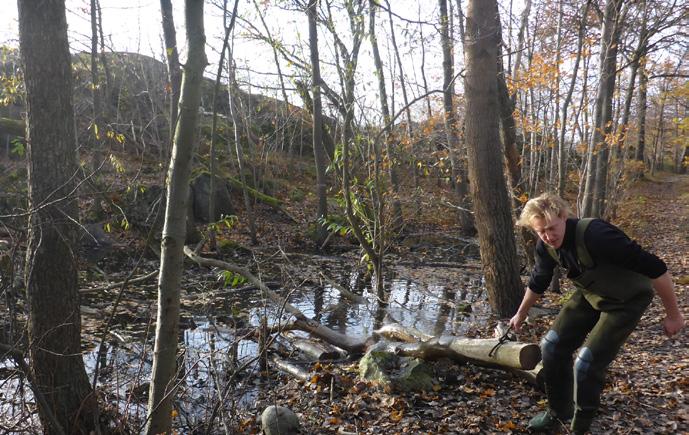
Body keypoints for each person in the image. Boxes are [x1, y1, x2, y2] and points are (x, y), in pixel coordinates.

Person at [509, 193, 685, 434]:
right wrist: (520, 314)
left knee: (586, 363)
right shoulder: (545, 246)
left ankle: (579, 427)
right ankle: (558, 411)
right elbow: (538, 281)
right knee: (550, 346)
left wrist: (674, 315)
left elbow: (658, 269)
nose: (548, 236)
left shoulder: (598, 236)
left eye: (551, 228)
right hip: (590, 294)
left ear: (563, 216)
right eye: (541, 231)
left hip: (627, 301)